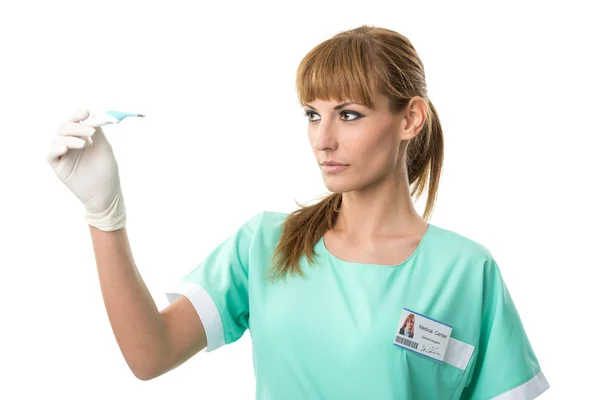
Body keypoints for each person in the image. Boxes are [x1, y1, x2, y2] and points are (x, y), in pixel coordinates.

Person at [47, 25, 550, 399]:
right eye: (313, 114)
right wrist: (104, 214)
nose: (323, 139)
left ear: (410, 119)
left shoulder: (465, 271)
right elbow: (149, 354)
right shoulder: (266, 245)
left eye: (349, 114)